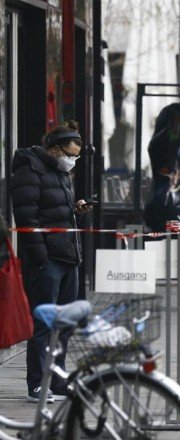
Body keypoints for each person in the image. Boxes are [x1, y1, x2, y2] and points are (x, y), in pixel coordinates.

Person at [10, 121, 92, 403]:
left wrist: (75, 210)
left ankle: (57, 380)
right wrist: (41, 258)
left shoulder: (59, 172)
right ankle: (37, 383)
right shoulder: (29, 168)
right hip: (48, 261)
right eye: (69, 154)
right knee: (43, 324)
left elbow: (54, 212)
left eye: (76, 157)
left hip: (68, 256)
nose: (72, 161)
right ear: (55, 149)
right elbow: (27, 217)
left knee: (64, 325)